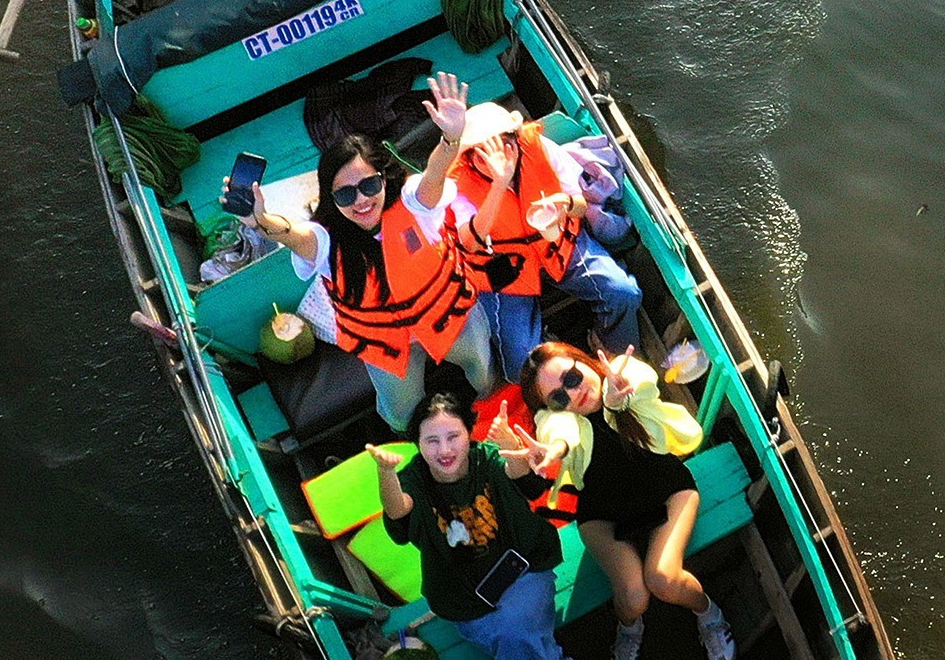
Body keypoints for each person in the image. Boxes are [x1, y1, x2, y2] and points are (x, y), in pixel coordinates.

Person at [233, 71, 495, 429]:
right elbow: (292, 234)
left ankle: (491, 409)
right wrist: (260, 220)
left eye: (369, 185)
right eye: (345, 194)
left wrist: (451, 136)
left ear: (383, 179)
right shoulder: (325, 241)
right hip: (387, 345)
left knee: (484, 377)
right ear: (331, 198)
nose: (361, 201)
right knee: (401, 415)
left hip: (450, 319)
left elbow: (435, 174)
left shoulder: (415, 204)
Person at [522, 343, 732, 660]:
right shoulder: (559, 421)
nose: (573, 393)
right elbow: (557, 430)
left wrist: (617, 402)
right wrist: (555, 449)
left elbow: (639, 383)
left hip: (666, 490)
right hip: (604, 513)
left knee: (663, 578)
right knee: (633, 599)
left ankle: (710, 615)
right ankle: (630, 628)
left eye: (573, 377)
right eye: (559, 398)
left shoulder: (622, 371)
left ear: (584, 363)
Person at [452, 104, 642, 378]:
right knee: (519, 366)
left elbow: (579, 204)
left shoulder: (540, 149)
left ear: (515, 141)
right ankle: (547, 375)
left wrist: (564, 204)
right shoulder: (458, 186)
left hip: (558, 248)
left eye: (502, 148)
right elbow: (469, 241)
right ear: (470, 158)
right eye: (482, 155)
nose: (494, 161)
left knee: (623, 293)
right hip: (505, 273)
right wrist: (499, 182)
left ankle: (614, 356)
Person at [372, 393, 566, 660]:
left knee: (514, 634)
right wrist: (385, 473)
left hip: (524, 570)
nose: (444, 450)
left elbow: (525, 483)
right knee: (516, 638)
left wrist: (511, 445)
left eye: (453, 437)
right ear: (417, 444)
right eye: (432, 441)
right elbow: (398, 511)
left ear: (470, 433)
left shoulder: (486, 458)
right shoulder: (414, 479)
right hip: (462, 597)